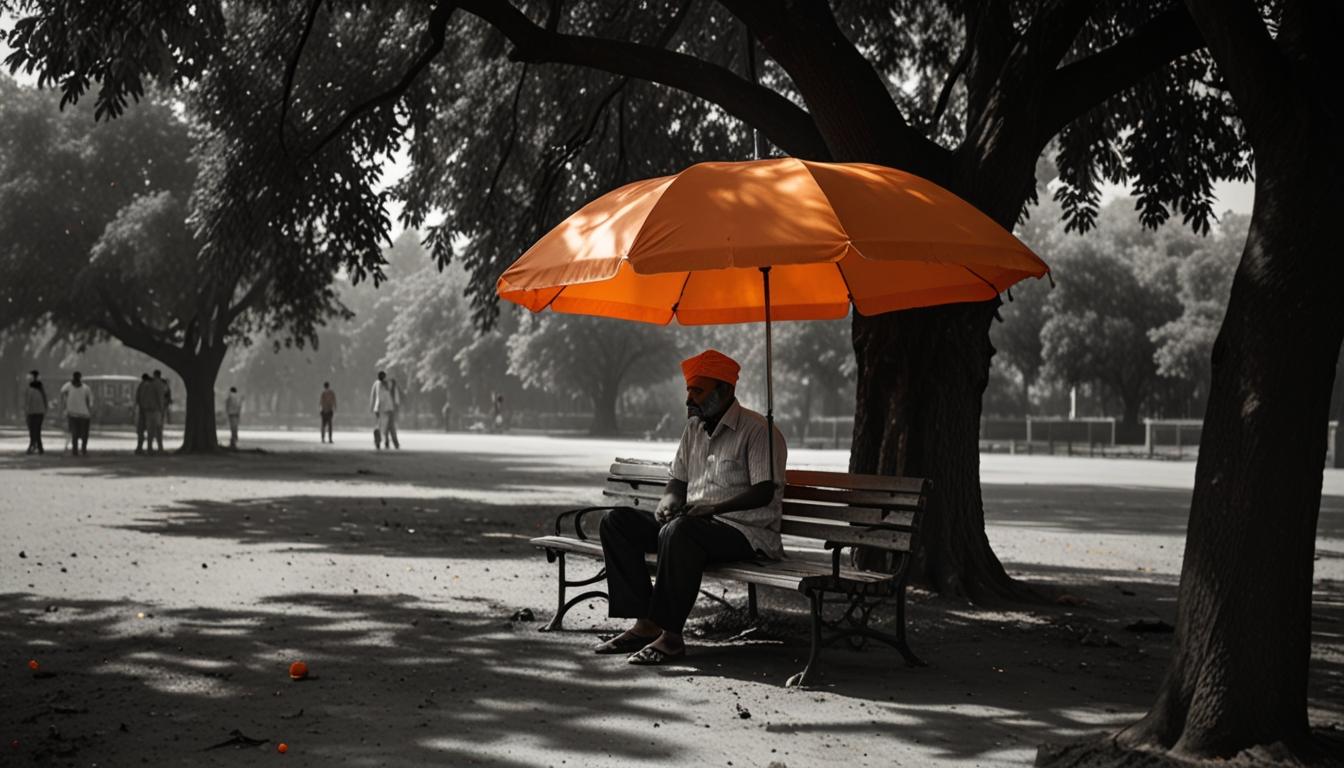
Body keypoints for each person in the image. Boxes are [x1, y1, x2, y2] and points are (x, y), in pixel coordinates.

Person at [595, 349, 787, 665]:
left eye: (698, 391)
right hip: (694, 526)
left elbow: (764, 491)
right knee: (616, 522)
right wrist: (668, 502)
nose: (689, 399)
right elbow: (678, 480)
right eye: (688, 390)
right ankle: (646, 625)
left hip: (744, 532)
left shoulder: (758, 431)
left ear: (725, 390)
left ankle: (671, 638)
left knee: (680, 532)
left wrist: (711, 509)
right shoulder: (694, 429)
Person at [60, 371, 94, 456]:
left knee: (79, 433)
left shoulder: (71, 387)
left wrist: (64, 406)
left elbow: (90, 400)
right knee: (78, 433)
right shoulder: (69, 386)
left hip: (81, 414)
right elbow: (90, 402)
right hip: (77, 414)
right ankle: (78, 450)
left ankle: (80, 449)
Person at [369, 371, 395, 450]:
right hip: (384, 408)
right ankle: (380, 441)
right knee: (383, 426)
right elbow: (379, 396)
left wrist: (372, 407)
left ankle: (384, 441)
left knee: (383, 426)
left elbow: (374, 396)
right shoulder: (382, 384)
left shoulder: (380, 383)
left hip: (381, 408)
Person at [25, 371, 47, 455]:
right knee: (37, 429)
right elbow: (45, 399)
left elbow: (28, 401)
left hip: (32, 412)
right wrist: (45, 409)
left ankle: (33, 445)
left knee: (32, 430)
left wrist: (26, 411)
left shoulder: (30, 388)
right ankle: (39, 447)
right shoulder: (41, 388)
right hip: (40, 411)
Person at [385, 377, 402, 449]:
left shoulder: (393, 390)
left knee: (390, 428)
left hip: (390, 411)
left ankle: (391, 443)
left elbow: (396, 402)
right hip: (387, 411)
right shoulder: (389, 390)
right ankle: (391, 443)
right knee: (389, 428)